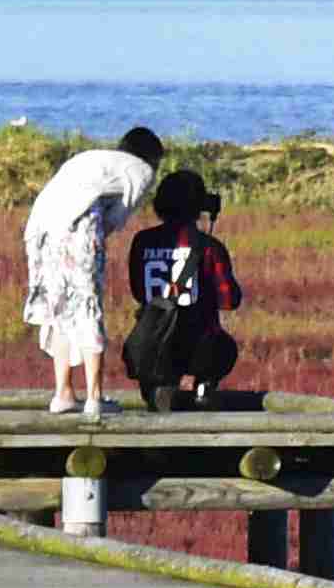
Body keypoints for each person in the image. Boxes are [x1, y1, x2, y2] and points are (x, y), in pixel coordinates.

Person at [23, 124, 166, 413]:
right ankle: (94, 397)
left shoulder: (94, 158)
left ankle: (63, 394)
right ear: (151, 157)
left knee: (58, 309)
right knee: (88, 305)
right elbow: (116, 217)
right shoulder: (141, 170)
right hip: (76, 228)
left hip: (39, 229)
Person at [116, 169, 247, 412]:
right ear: (198, 205)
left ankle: (159, 389)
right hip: (199, 346)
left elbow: (138, 292)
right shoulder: (208, 247)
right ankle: (201, 388)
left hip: (152, 344)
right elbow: (229, 300)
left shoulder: (142, 241)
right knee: (224, 348)